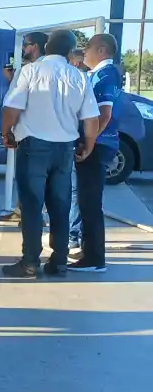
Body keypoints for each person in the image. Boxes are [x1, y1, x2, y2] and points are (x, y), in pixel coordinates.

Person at [0, 29, 99, 278]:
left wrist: (6, 132)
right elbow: (91, 118)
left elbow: (12, 107)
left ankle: (30, 261)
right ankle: (60, 261)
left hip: (33, 147)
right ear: (69, 52)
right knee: (60, 206)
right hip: (65, 149)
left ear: (46, 48)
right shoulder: (79, 77)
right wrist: (89, 144)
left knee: (32, 206)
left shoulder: (31, 71)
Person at [69, 33, 123, 273]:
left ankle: (94, 259)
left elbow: (105, 114)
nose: (84, 52)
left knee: (89, 202)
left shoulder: (106, 74)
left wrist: (89, 143)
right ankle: (89, 250)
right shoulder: (98, 74)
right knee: (85, 200)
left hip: (98, 145)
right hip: (97, 143)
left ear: (101, 50)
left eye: (87, 48)